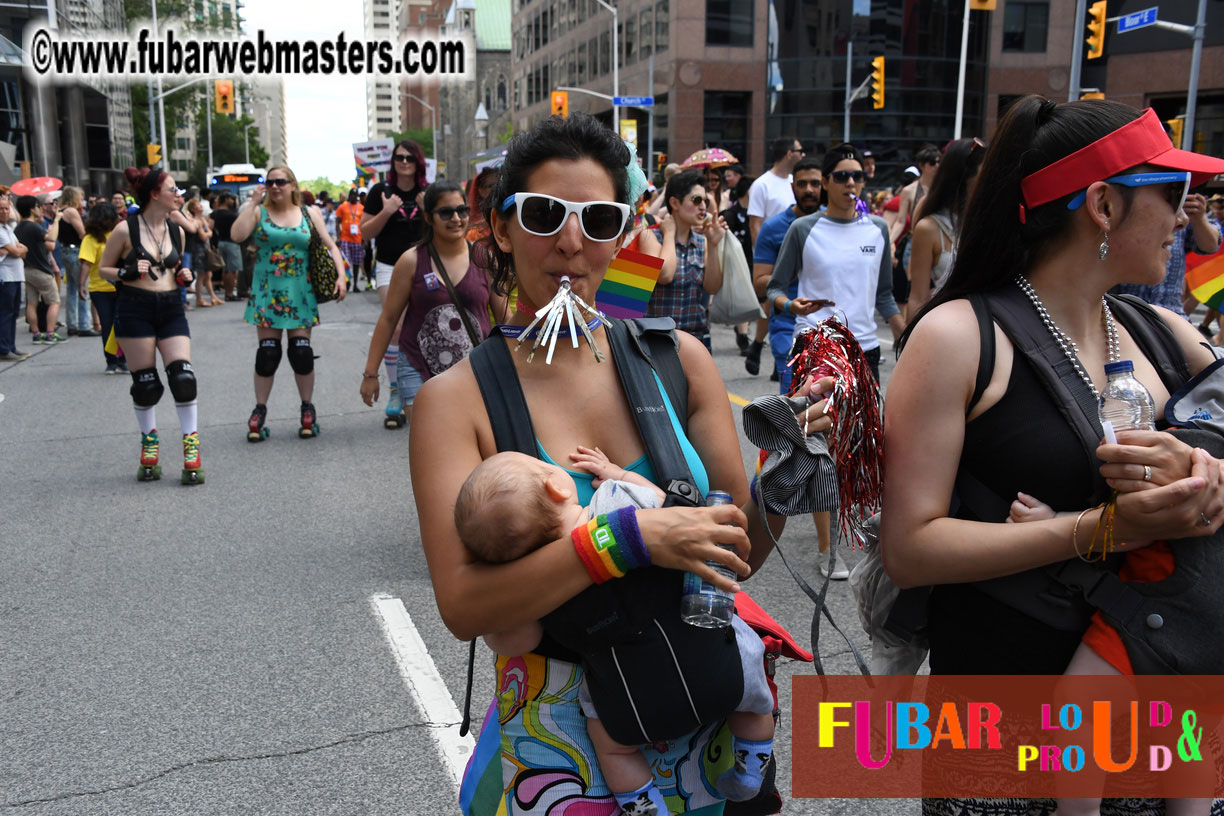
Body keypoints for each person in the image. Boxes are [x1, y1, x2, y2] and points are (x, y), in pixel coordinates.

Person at [409, 112, 831, 816]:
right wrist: (628, 539)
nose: (571, 242)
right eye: (545, 215)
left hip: (700, 712)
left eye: (597, 219)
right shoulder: (457, 401)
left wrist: (784, 472)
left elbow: (737, 553)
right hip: (568, 749)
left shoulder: (679, 362)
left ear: (621, 233)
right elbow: (465, 605)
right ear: (503, 229)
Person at [884, 96, 1224, 816]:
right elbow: (910, 549)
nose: (1181, 217)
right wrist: (1103, 530)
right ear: (1102, 205)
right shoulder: (958, 338)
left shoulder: (1164, 332)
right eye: (1169, 194)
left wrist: (1208, 477)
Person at [454, 448, 776, 812]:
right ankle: (752, 766)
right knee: (753, 687)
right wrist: (616, 473)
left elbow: (514, 641)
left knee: (609, 744)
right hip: (719, 670)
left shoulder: (542, 584)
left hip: (633, 705)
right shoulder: (615, 499)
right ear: (557, 486)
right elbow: (668, 508)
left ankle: (642, 802)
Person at [359, 179, 498, 428]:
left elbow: (505, 318)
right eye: (446, 212)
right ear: (429, 218)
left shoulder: (483, 258)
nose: (456, 218)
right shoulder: (411, 261)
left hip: (476, 371)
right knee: (431, 446)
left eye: (462, 210)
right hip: (418, 368)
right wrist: (371, 374)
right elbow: (389, 319)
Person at [97, 167, 203, 484]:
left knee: (183, 377)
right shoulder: (124, 231)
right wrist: (127, 271)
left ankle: (191, 446)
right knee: (145, 384)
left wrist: (187, 277)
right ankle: (150, 443)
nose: (179, 195)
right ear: (156, 194)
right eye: (174, 189)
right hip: (134, 309)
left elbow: (176, 269)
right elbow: (104, 269)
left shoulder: (177, 230)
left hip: (171, 307)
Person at [766, 143, 903, 386]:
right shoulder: (802, 228)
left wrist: (906, 339)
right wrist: (790, 305)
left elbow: (883, 294)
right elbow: (774, 288)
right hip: (814, 346)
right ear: (826, 182)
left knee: (863, 425)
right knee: (811, 424)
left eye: (857, 176)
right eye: (841, 176)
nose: (850, 183)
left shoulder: (878, 229)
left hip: (864, 350)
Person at [229, 165, 346, 441]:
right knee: (267, 354)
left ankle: (307, 408)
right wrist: (252, 203)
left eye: (280, 181)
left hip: (300, 292)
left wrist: (341, 276)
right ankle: (259, 411)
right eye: (269, 182)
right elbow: (236, 235)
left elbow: (331, 246)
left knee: (301, 353)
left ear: (293, 185)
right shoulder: (259, 212)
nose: (275, 186)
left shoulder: (309, 213)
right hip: (268, 292)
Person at [361, 139, 428, 416]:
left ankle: (423, 388)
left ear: (418, 162)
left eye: (409, 158)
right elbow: (365, 232)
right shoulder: (380, 191)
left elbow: (448, 226)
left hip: (424, 264)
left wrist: (428, 209)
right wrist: (387, 211)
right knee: (397, 327)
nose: (403, 162)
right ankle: (396, 390)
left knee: (424, 326)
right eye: (399, 158)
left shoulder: (427, 192)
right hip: (389, 265)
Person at [642, 169, 725, 351]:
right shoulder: (650, 236)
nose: (703, 206)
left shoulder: (702, 241)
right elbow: (664, 275)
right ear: (675, 203)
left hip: (695, 339)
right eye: (696, 200)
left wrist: (713, 244)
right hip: (656, 340)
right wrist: (670, 234)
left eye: (705, 201)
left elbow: (712, 287)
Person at [906, 137, 987, 315]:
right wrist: (910, 340)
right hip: (948, 326)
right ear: (964, 176)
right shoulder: (929, 227)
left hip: (992, 325)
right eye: (985, 174)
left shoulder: (992, 220)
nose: (990, 181)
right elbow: (917, 297)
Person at [78, 201, 126, 373]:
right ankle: (112, 360)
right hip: (99, 289)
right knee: (107, 324)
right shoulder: (90, 239)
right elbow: (85, 263)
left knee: (122, 324)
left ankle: (123, 359)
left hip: (121, 287)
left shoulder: (118, 234)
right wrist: (81, 284)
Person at [16, 195, 63, 344]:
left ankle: (36, 333)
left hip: (26, 269)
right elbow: (51, 238)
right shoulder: (34, 226)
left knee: (32, 303)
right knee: (54, 301)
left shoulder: (18, 227)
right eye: (38, 206)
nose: (40, 209)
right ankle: (50, 333)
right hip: (41, 269)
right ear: (32, 209)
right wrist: (56, 220)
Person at [747, 136, 803, 242]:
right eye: (800, 151)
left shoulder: (796, 182)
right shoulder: (761, 185)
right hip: (772, 252)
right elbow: (754, 226)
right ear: (789, 154)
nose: (803, 155)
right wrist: (763, 254)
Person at [888, 143, 941, 249]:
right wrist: (889, 243)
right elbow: (900, 221)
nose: (937, 166)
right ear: (921, 165)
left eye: (939, 162)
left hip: (939, 243)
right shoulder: (908, 190)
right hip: (916, 243)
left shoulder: (942, 189)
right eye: (932, 162)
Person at [57, 187, 93, 337]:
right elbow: (82, 233)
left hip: (65, 250)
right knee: (82, 287)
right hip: (75, 251)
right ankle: (84, 325)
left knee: (72, 289)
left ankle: (72, 323)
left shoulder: (60, 211)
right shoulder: (71, 212)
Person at [0, 195, 30, 361]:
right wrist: (16, 250)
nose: (4, 212)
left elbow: (22, 249)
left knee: (12, 313)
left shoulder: (8, 229)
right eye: (1, 209)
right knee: (5, 313)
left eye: (6, 208)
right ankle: (3, 348)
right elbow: (18, 251)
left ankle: (10, 345)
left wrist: (16, 250)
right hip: (5, 278)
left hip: (16, 276)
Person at [181, 198, 218, 307]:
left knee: (207, 275)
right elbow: (204, 236)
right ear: (193, 208)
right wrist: (208, 233)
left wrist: (208, 232)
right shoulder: (195, 220)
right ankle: (199, 299)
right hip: (198, 249)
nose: (201, 206)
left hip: (204, 248)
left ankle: (212, 297)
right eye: (198, 205)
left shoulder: (201, 219)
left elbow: (209, 231)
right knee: (201, 275)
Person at [211, 193, 242, 301]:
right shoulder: (232, 215)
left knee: (225, 269)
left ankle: (227, 292)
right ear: (227, 199)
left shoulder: (215, 213)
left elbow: (210, 227)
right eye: (231, 199)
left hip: (220, 242)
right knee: (233, 270)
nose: (233, 201)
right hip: (232, 243)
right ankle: (229, 293)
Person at [335, 188, 365, 292]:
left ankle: (355, 284)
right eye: (351, 194)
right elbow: (337, 221)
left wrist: (364, 239)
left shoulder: (361, 208)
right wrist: (338, 237)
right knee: (346, 262)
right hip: (345, 239)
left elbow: (364, 224)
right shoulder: (342, 206)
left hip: (357, 239)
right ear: (349, 195)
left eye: (355, 195)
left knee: (356, 263)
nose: (353, 196)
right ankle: (347, 283)